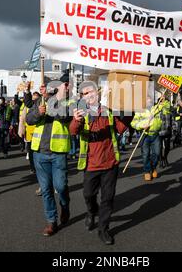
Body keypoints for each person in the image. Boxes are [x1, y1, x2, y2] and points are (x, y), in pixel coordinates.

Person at [70, 81, 127, 245]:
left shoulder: (109, 111)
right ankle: (91, 212)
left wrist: (129, 113)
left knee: (108, 198)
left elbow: (122, 128)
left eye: (90, 92)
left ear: (97, 92)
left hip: (110, 163)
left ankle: (103, 229)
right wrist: (76, 120)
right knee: (88, 194)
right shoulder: (81, 112)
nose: (88, 95)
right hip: (91, 164)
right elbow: (73, 131)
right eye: (85, 93)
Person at [26, 74, 72, 236]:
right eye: (43, 87)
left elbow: (67, 116)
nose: (44, 90)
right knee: (46, 189)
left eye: (47, 87)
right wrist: (38, 112)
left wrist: (52, 108)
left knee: (60, 186)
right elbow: (29, 120)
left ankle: (65, 205)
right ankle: (51, 221)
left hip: (58, 153)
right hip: (40, 153)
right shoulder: (39, 102)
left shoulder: (67, 101)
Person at [131, 96, 163, 181]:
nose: (149, 101)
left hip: (155, 134)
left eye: (150, 100)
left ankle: (153, 168)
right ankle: (147, 171)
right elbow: (133, 123)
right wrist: (142, 126)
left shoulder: (156, 108)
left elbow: (166, 106)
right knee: (145, 154)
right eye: (147, 100)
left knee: (157, 153)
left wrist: (164, 99)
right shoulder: (139, 111)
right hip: (145, 135)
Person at [158, 94, 172, 168]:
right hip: (159, 130)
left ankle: (165, 157)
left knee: (167, 147)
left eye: (164, 98)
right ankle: (160, 160)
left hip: (167, 130)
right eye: (161, 99)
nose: (162, 99)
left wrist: (173, 128)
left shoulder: (168, 108)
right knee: (159, 147)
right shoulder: (156, 109)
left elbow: (171, 119)